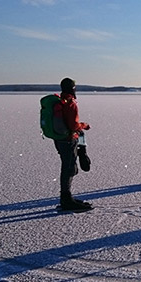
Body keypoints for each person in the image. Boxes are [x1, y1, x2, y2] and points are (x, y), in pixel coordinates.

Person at [54, 77, 92, 211]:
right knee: (69, 168)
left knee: (68, 167)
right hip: (68, 140)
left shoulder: (60, 101)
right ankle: (66, 200)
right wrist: (84, 125)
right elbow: (73, 125)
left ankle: (67, 197)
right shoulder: (70, 103)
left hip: (60, 140)